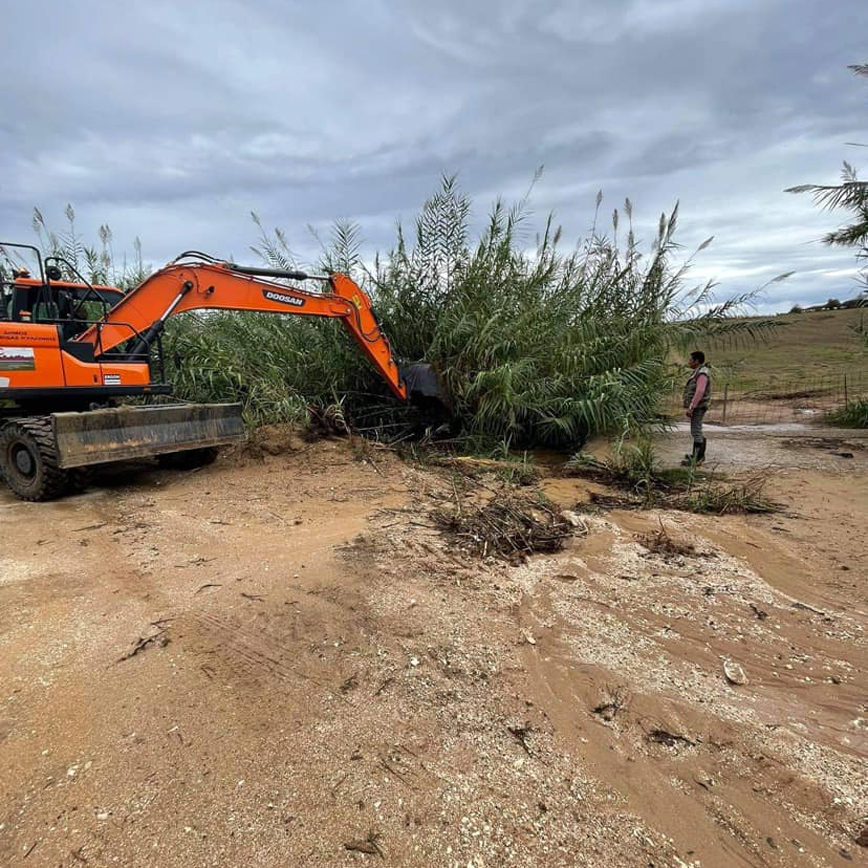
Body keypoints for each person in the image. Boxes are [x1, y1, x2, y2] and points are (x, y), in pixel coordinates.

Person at [681, 350, 711, 466]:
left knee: (696, 431)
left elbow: (700, 391)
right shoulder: (698, 372)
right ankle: (697, 455)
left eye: (690, 360)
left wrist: (691, 407)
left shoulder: (702, 374)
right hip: (698, 405)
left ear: (697, 361)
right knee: (696, 430)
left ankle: (697, 459)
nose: (689, 362)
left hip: (698, 406)